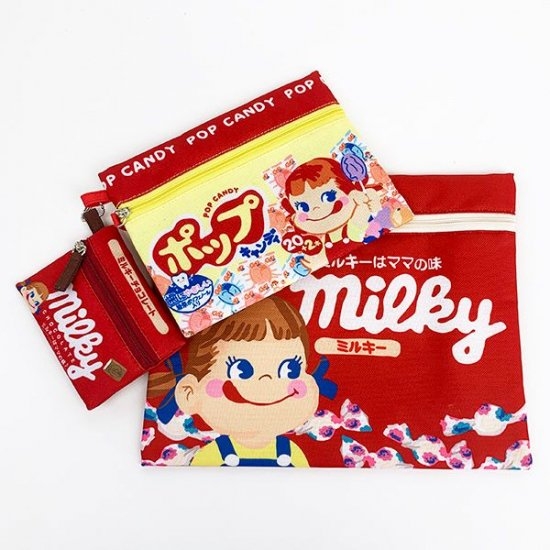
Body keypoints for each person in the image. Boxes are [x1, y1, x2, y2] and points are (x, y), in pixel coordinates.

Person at [154, 296, 321, 467]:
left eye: (290, 369)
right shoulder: (213, 454)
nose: (266, 381)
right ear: (190, 393)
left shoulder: (292, 453)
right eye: (241, 370)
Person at [282, 157, 381, 252]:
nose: (317, 209)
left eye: (329, 197)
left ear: (350, 191)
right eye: (302, 207)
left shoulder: (361, 211)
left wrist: (370, 208)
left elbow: (378, 225)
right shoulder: (312, 242)